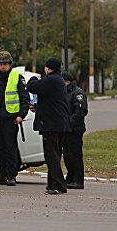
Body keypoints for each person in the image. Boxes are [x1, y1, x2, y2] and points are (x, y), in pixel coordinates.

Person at [0, 51, 30, 186]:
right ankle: (1, 175)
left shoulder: (17, 77)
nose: (2, 67)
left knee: (10, 147)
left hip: (11, 118)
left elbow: (24, 98)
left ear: (10, 65)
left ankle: (11, 175)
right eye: (0, 64)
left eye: (5, 64)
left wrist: (21, 115)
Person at [26, 57, 71, 195]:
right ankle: (52, 184)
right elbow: (52, 101)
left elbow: (32, 87)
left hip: (51, 125)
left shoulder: (51, 79)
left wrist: (32, 78)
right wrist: (38, 107)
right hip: (59, 123)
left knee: (52, 156)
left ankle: (58, 185)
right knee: (55, 155)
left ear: (47, 68)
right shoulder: (59, 80)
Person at [61, 72, 88, 190]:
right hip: (65, 130)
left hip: (74, 130)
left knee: (75, 155)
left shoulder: (78, 93)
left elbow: (80, 112)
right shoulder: (64, 92)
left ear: (67, 82)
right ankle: (71, 177)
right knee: (67, 156)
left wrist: (69, 124)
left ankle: (78, 179)